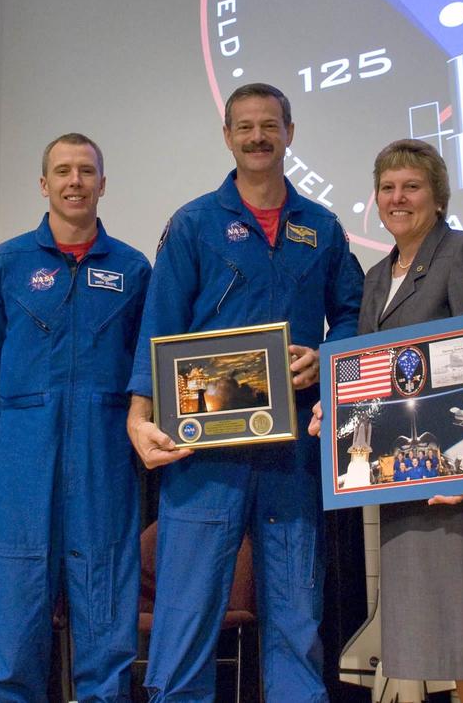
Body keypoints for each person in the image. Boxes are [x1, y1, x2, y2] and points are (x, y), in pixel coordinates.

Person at [126, 83, 363, 701]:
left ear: (290, 131)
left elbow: (355, 313)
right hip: (205, 447)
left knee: (296, 611)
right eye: (245, 127)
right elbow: (160, 325)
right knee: (187, 612)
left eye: (270, 125)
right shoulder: (194, 224)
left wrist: (329, 358)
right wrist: (138, 415)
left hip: (293, 449)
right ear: (227, 136)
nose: (258, 137)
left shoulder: (322, 226)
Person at [312, 139, 463, 703]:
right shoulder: (373, 278)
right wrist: (333, 408)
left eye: (411, 186)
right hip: (409, 487)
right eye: (387, 188)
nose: (397, 198)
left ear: (437, 197)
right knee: (451, 646)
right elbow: (370, 376)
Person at [0, 133, 151, 701]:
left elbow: (147, 361)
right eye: (63, 172)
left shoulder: (133, 268)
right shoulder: (6, 263)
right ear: (44, 184)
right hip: (24, 452)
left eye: (86, 171)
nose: (75, 181)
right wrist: (12, 430)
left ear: (102, 184)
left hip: (104, 455)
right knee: (16, 609)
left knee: (105, 609)